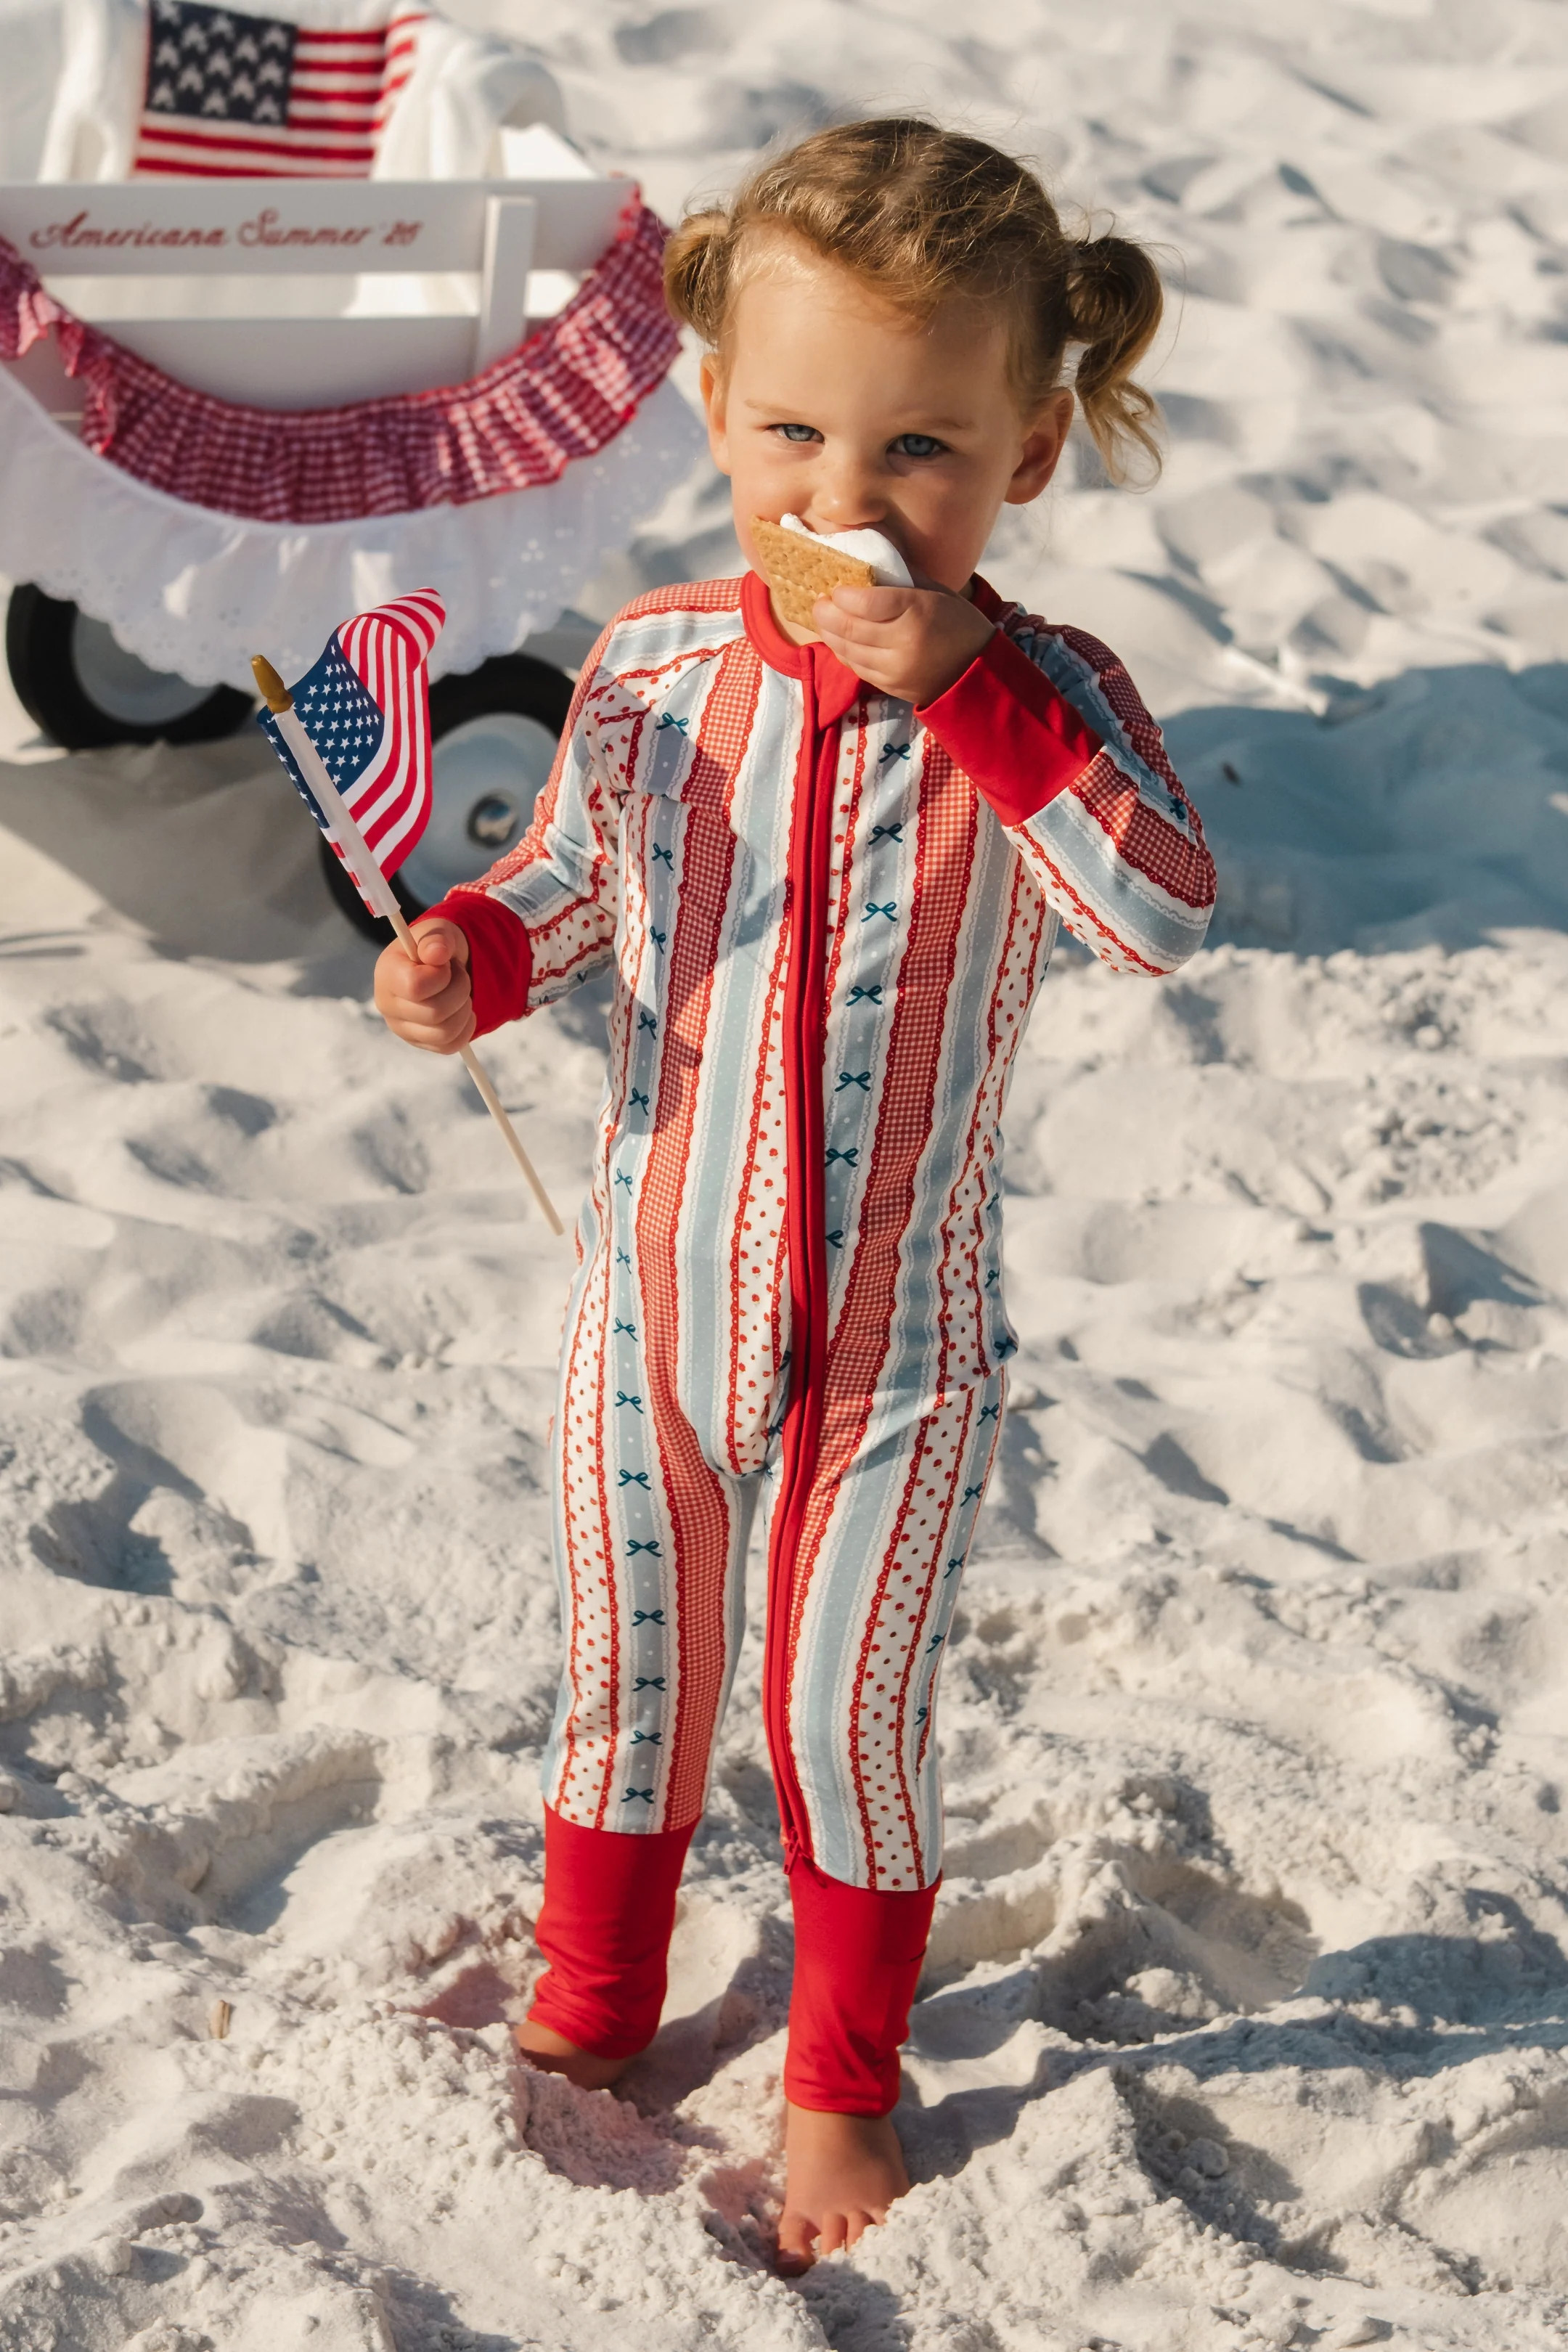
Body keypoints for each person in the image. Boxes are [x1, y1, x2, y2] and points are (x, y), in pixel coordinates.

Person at [372, 116, 1216, 2272]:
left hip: (896, 1347)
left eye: (922, 448)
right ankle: (598, 1986)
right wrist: (471, 952)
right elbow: (569, 881)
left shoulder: (1053, 698)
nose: (850, 499)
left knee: (848, 1712)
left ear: (1030, 453)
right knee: (629, 1670)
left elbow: (1157, 911)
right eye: (796, 435)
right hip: (649, 1302)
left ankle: (840, 2082)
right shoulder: (658, 667)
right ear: (718, 412)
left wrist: (985, 701)